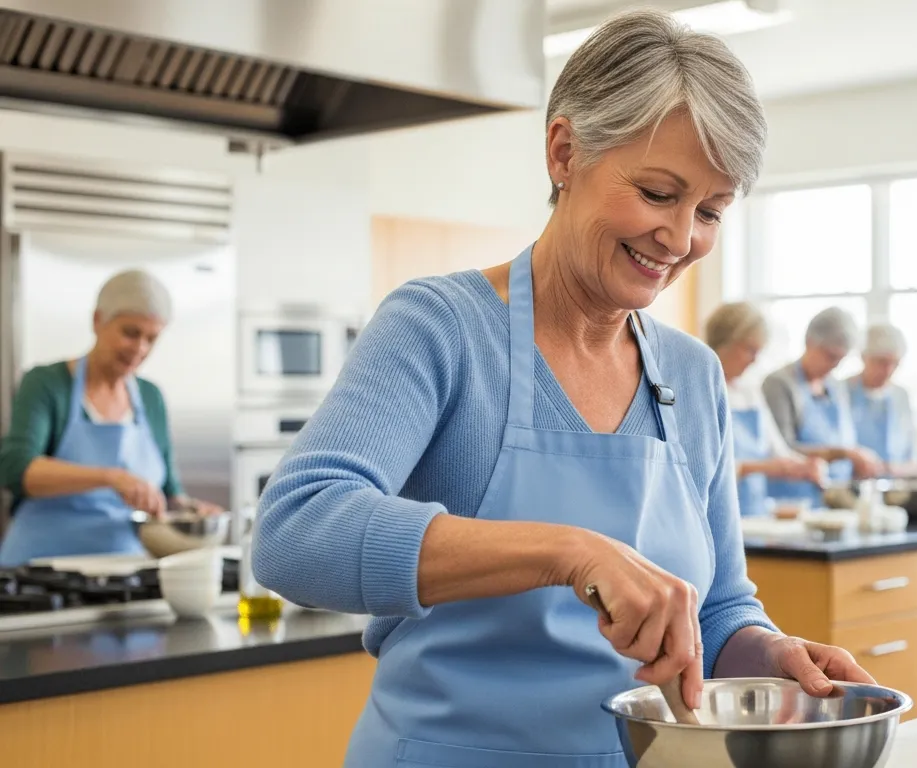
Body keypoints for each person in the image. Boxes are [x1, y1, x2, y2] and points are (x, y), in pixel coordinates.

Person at [251, 11, 874, 767]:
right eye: (656, 193)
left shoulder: (691, 373)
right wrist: (569, 551)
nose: (680, 240)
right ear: (563, 150)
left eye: (709, 211)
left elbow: (713, 610)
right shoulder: (439, 328)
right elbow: (294, 531)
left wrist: (769, 655)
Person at [0, 270, 221, 567]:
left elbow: (168, 491)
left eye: (151, 339)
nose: (140, 348)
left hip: (125, 572)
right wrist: (111, 477)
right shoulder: (46, 384)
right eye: (130, 333)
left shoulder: (150, 397)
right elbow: (16, 469)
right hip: (39, 571)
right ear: (97, 321)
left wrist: (190, 509)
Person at [705, 302, 827, 517]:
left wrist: (804, 466)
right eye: (750, 350)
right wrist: (761, 468)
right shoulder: (700, 388)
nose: (754, 360)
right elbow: (702, 468)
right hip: (713, 511)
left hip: (753, 512)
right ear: (725, 343)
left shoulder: (750, 391)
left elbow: (778, 451)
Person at [761, 307, 883, 505]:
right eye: (831, 356)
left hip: (835, 500)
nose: (835, 365)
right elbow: (782, 450)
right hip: (792, 501)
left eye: (841, 359)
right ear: (810, 343)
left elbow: (845, 438)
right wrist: (844, 454)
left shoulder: (835, 386)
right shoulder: (779, 384)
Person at [848, 324, 917, 477]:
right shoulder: (842, 393)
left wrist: (887, 469)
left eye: (895, 363)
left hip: (893, 490)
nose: (888, 370)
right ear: (863, 357)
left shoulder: (901, 396)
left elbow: (915, 462)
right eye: (881, 362)